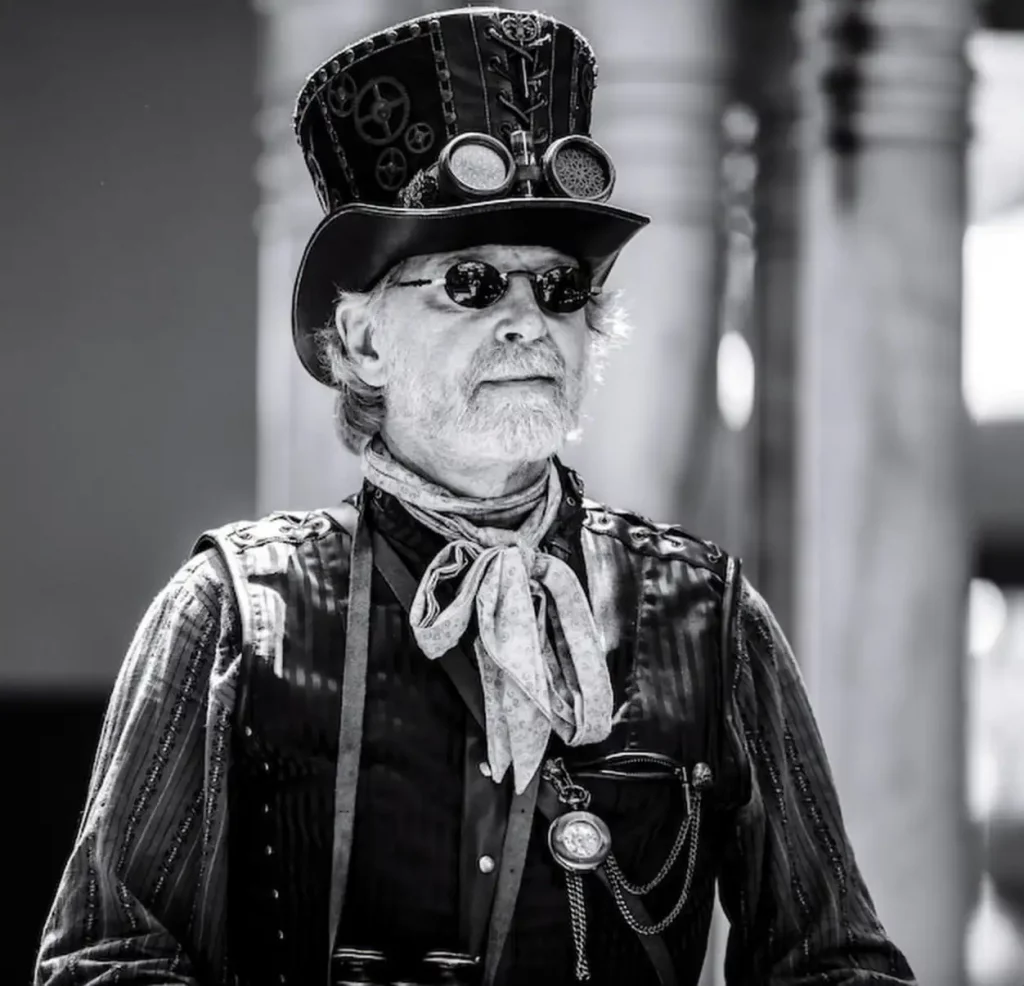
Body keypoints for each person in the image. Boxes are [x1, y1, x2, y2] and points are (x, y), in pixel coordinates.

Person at [34, 7, 917, 986]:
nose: (526, 322)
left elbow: (835, 963)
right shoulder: (232, 616)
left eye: (561, 290)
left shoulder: (707, 618)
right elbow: (106, 962)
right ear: (364, 340)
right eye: (470, 282)